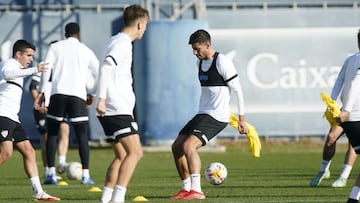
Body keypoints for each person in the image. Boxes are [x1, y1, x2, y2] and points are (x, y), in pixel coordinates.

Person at [170, 29, 248, 200]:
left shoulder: (222, 62)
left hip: (218, 116)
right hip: (203, 113)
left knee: (189, 146)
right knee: (176, 147)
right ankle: (186, 188)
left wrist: (242, 119)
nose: (194, 53)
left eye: (197, 49)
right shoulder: (198, 63)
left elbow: (238, 90)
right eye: (193, 49)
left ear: (208, 45)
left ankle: (197, 191)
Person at [95, 4, 149, 203]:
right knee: (135, 152)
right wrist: (101, 98)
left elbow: (103, 69)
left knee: (121, 155)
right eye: (145, 26)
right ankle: (118, 199)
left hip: (111, 108)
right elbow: (107, 68)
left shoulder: (112, 40)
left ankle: (106, 198)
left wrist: (95, 94)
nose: (145, 30)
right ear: (140, 24)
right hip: (115, 107)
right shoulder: (123, 43)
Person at [35, 22, 99, 185]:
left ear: (65, 33)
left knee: (53, 134)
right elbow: (98, 70)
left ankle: (50, 174)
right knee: (82, 136)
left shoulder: (55, 47)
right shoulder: (85, 50)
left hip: (58, 95)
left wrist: (43, 91)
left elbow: (46, 68)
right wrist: (92, 92)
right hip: (78, 96)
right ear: (78, 34)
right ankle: (85, 175)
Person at [0, 39, 60, 201]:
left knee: (29, 151)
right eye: (28, 55)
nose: (31, 59)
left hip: (13, 118)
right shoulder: (9, 64)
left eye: (32, 56)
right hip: (2, 115)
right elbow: (6, 74)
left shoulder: (19, 69)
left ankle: (38, 191)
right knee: (6, 153)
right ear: (18, 54)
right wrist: (34, 70)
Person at [310, 61, 358, 188]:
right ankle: (323, 170)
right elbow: (341, 79)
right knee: (331, 137)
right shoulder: (352, 59)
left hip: (357, 113)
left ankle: (343, 177)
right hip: (345, 109)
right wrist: (332, 101)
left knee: (353, 144)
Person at [334, 29, 360, 203]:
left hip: (351, 118)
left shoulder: (352, 59)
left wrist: (333, 102)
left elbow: (340, 80)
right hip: (356, 117)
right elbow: (354, 83)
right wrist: (346, 110)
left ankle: (353, 198)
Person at [29, 71, 70, 178]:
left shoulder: (63, 66)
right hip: (42, 108)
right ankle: (48, 169)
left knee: (65, 128)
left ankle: (61, 162)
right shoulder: (44, 66)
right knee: (46, 136)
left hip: (57, 105)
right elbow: (33, 87)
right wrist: (39, 103)